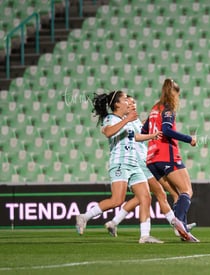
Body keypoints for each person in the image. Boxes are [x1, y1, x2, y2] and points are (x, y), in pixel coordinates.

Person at [75, 90, 163, 244]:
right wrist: (127, 119)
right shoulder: (110, 118)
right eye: (124, 99)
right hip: (120, 163)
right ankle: (84, 216)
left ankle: (145, 235)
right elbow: (108, 132)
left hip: (134, 164)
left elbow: (134, 136)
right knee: (117, 200)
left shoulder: (126, 120)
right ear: (116, 104)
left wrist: (152, 136)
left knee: (146, 197)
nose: (128, 102)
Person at [104, 95, 193, 239]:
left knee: (143, 197)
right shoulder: (125, 121)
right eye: (129, 102)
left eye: (133, 101)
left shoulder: (134, 121)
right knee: (160, 194)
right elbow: (130, 135)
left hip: (144, 160)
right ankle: (177, 225)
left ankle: (115, 222)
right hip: (140, 161)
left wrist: (152, 124)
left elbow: (142, 132)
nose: (132, 104)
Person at [142, 78, 200, 242]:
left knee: (176, 195)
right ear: (173, 93)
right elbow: (167, 130)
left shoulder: (155, 108)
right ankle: (179, 223)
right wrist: (189, 139)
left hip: (152, 159)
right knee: (187, 191)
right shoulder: (168, 108)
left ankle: (184, 234)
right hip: (166, 155)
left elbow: (144, 129)